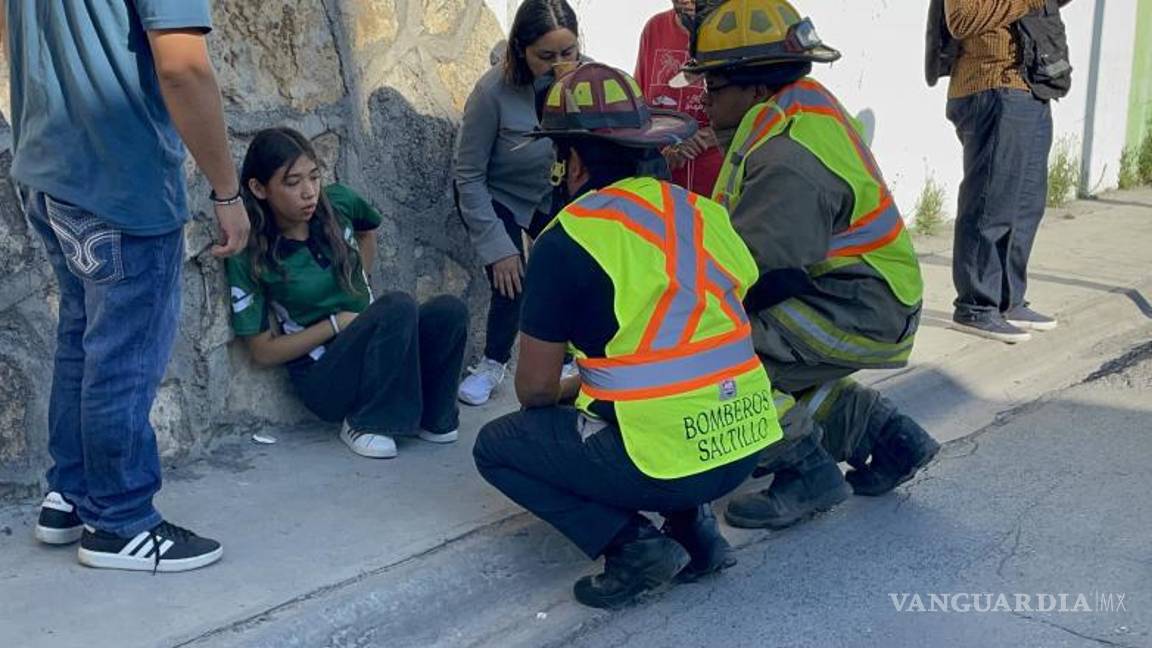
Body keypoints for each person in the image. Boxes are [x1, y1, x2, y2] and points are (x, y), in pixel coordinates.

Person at [473, 63, 785, 609]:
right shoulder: (701, 212)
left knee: (497, 447)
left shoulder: (565, 239)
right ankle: (697, 534)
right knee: (646, 412)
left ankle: (634, 548)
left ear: (571, 163)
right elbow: (695, 334)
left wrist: (579, 387)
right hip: (744, 443)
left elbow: (536, 390)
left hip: (667, 462)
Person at [5, 0, 249, 572]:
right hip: (121, 182)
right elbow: (183, 68)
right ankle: (120, 522)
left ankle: (69, 495)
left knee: (82, 339)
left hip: (48, 171)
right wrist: (227, 191)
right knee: (123, 356)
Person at [679, 0, 940, 529]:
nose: (704, 98)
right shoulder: (794, 109)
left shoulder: (785, 156)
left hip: (859, 304)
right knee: (777, 367)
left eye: (713, 85)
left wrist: (682, 318)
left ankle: (806, 473)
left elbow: (758, 270)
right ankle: (889, 438)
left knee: (715, 361)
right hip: (862, 292)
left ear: (755, 87)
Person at [227, 128, 469, 459]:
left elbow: (368, 230)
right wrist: (337, 324)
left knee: (449, 311)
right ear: (259, 188)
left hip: (374, 349)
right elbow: (263, 352)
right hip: (323, 375)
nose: (309, 192)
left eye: (314, 177)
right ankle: (366, 422)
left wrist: (361, 283)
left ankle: (434, 418)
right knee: (397, 306)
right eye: (293, 182)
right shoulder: (252, 251)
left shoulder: (338, 202)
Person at [454, 0, 581, 406]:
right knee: (511, 278)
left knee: (566, 270)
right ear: (521, 51)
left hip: (553, 191)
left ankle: (567, 359)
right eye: (546, 56)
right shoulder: (491, 93)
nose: (559, 65)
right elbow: (468, 174)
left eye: (568, 52)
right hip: (499, 194)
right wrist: (498, 247)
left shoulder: (589, 80)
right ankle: (494, 361)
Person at [930, 0, 1072, 343]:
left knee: (1025, 206)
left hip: (1032, 84)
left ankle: (1008, 300)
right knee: (991, 204)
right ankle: (976, 306)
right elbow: (962, 19)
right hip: (991, 85)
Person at [635, 0, 724, 196]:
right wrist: (664, 153)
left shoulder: (734, 30)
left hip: (717, 187)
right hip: (663, 189)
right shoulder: (655, 29)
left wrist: (705, 137)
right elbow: (638, 112)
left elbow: (755, 113)